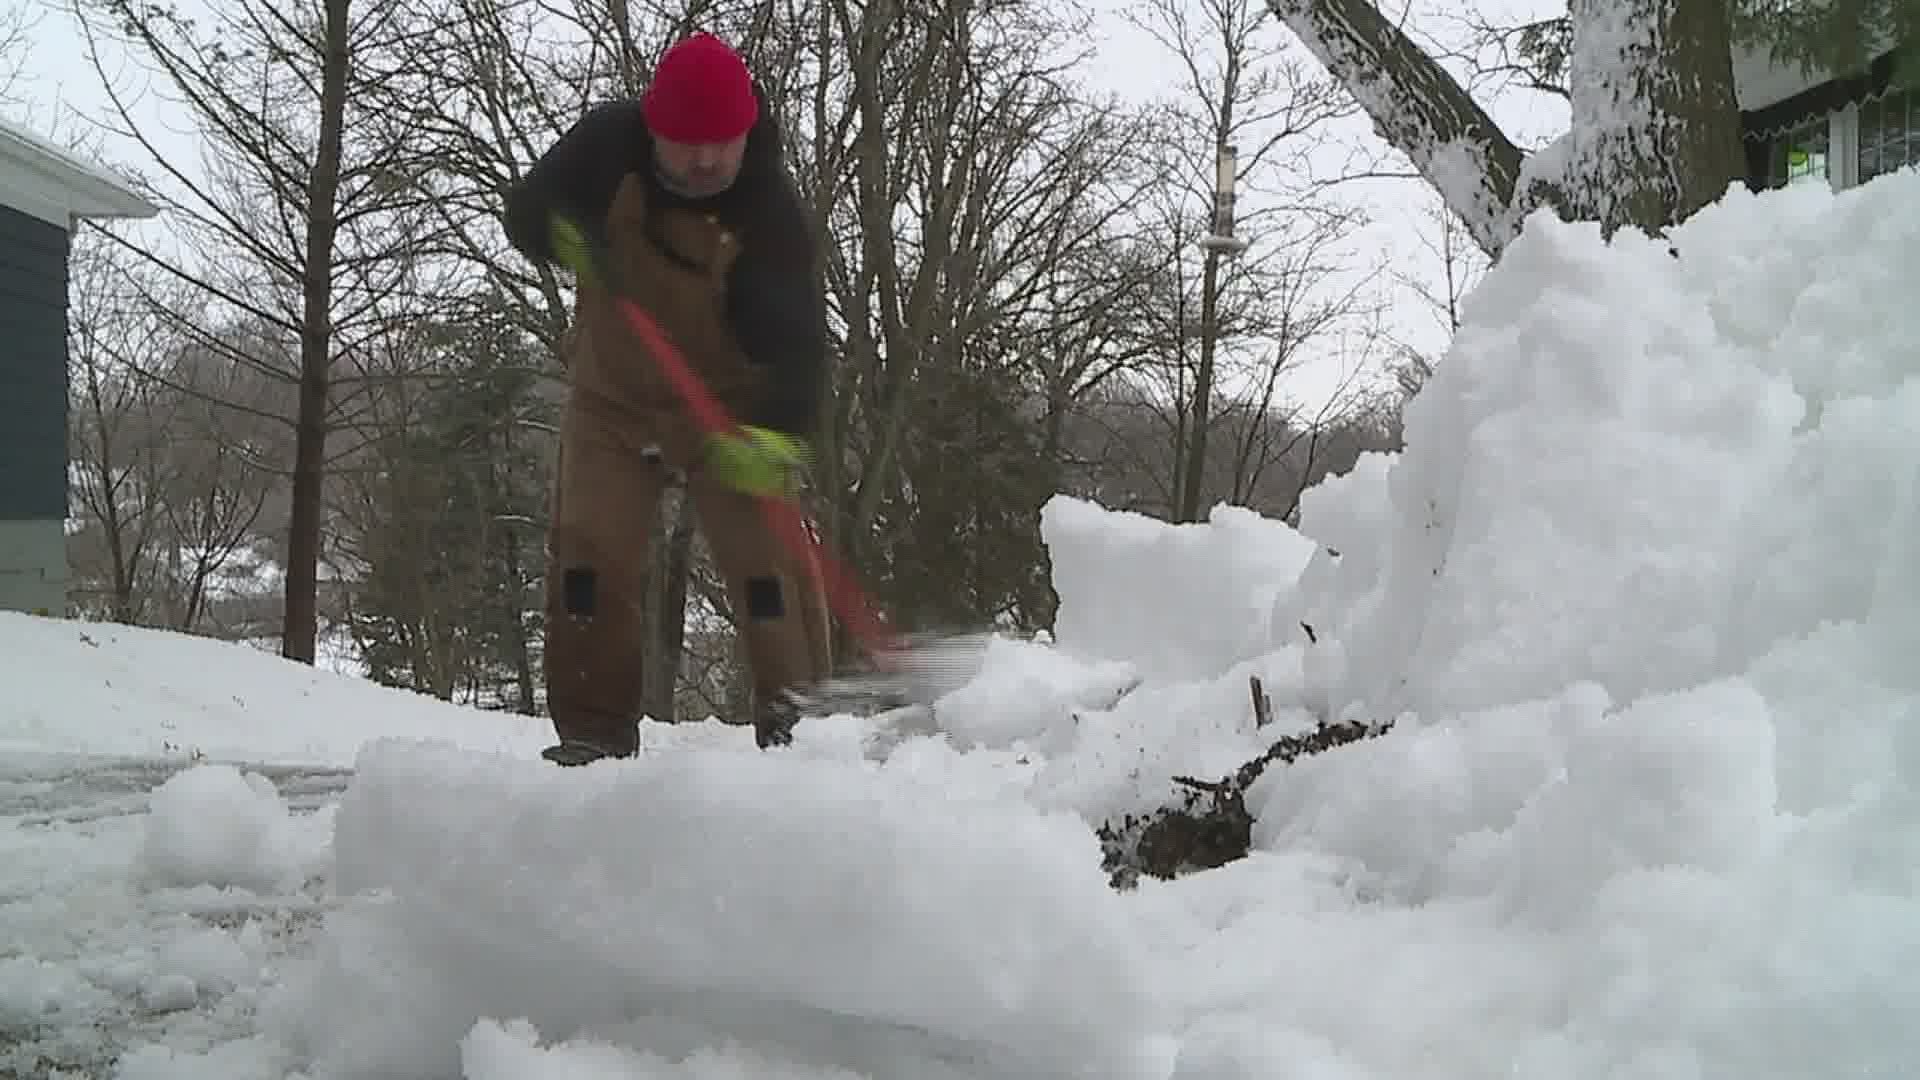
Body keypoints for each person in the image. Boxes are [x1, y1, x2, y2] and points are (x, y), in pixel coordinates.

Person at [502, 31, 833, 762]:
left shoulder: (769, 215)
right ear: (653, 128)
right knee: (589, 565)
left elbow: (801, 349)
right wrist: (560, 233)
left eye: (723, 141)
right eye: (687, 142)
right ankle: (592, 733)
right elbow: (525, 210)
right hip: (611, 401)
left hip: (729, 414)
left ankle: (804, 735)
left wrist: (775, 434)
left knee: (765, 575)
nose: (707, 158)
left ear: (747, 131)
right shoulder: (605, 145)